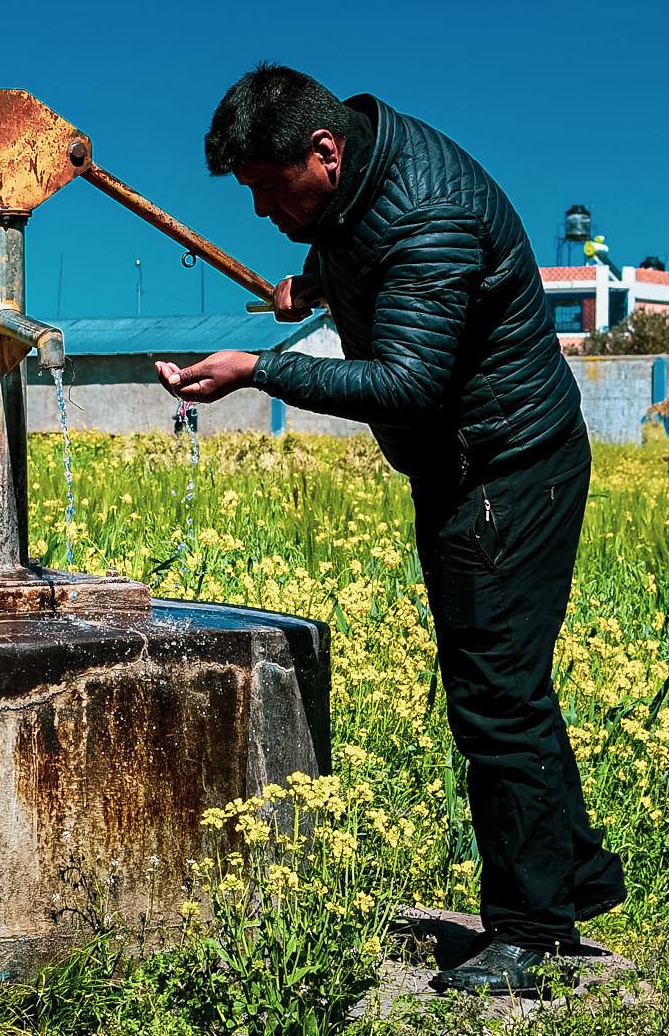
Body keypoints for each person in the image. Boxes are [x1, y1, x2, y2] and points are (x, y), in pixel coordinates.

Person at [155, 64, 625, 996]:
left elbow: (411, 380)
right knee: (500, 683)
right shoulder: (359, 185)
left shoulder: (426, 215)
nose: (257, 209)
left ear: (321, 153)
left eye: (262, 186)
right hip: (468, 467)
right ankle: (571, 879)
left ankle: (529, 933)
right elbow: (354, 250)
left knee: (496, 696)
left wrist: (261, 369)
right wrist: (311, 287)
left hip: (506, 469)